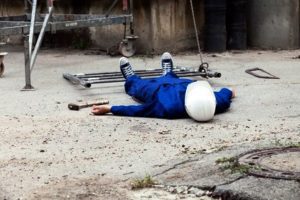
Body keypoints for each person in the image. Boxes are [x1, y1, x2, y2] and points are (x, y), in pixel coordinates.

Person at [92, 52, 235, 121]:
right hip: (179, 83)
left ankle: (130, 77)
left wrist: (110, 109)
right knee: (171, 77)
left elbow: (138, 110)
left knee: (137, 86)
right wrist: (229, 91)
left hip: (153, 90)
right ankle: (167, 73)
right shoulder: (213, 103)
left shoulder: (168, 108)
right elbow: (225, 95)